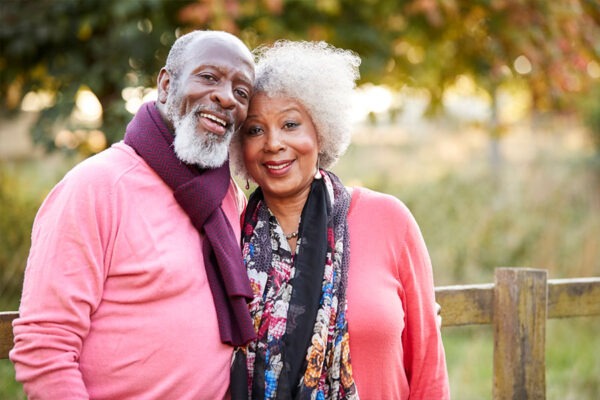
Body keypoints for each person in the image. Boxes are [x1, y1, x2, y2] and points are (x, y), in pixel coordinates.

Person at [10, 30, 257, 399]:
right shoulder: (97, 187)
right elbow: (45, 346)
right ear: (166, 84)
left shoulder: (227, 195)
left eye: (241, 92)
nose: (225, 97)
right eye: (208, 77)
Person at [229, 40, 450, 399]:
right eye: (255, 130)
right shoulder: (228, 235)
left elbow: (429, 371)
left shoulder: (388, 220)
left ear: (320, 129)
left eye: (290, 124)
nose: (273, 143)